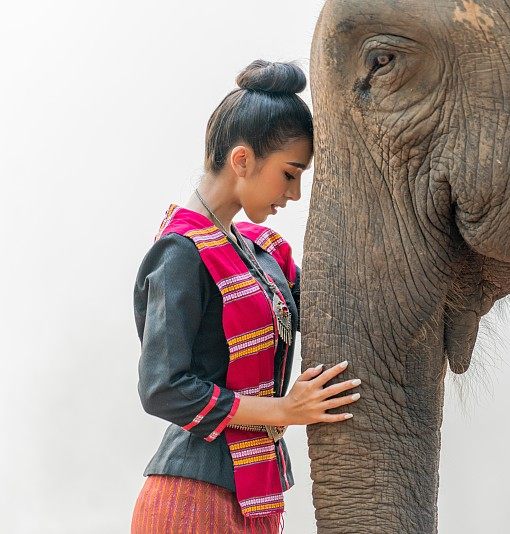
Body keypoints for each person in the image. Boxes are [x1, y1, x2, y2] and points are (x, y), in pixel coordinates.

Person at [130, 60, 361, 533]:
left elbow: (331, 303)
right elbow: (162, 386)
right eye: (289, 173)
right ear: (242, 160)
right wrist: (282, 410)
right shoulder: (181, 252)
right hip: (193, 502)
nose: (295, 193)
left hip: (252, 497)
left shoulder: (262, 253)